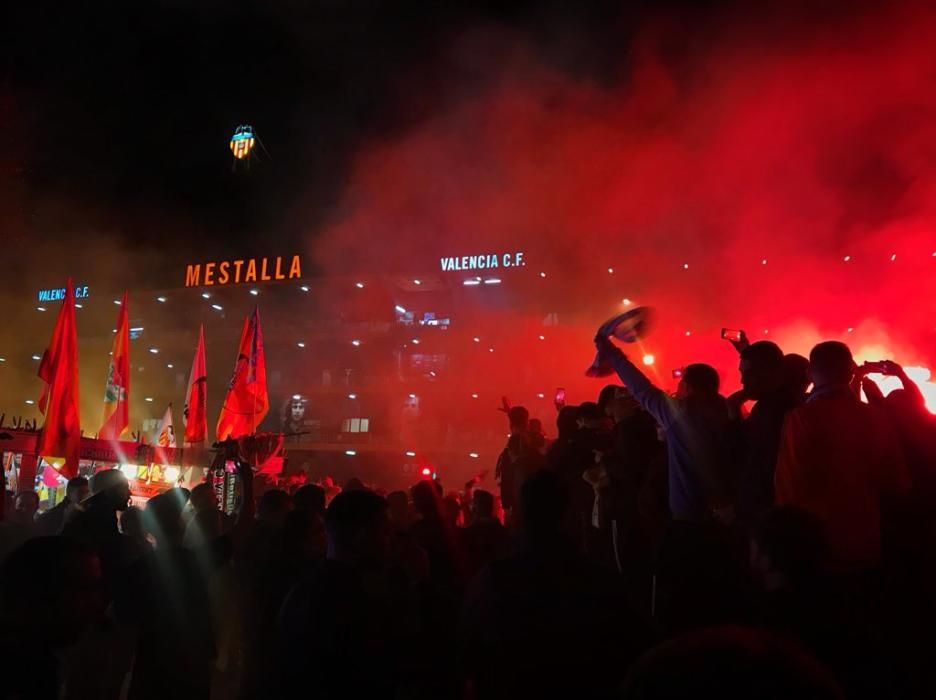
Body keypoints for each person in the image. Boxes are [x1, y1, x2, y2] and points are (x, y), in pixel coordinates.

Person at [460, 470, 650, 699]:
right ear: (568, 517)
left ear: (520, 517)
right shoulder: (601, 585)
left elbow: (466, 657)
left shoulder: (491, 583)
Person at [775, 341, 909, 574]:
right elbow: (897, 482)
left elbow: (787, 485)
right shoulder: (875, 417)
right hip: (865, 537)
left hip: (814, 542)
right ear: (850, 371)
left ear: (810, 373)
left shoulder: (799, 418)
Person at [278, 490, 418, 699]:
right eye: (385, 532)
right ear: (362, 536)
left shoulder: (302, 591)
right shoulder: (356, 602)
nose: (392, 541)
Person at [125, 490, 215, 700]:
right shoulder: (199, 561)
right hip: (192, 660)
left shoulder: (140, 567)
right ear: (182, 523)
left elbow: (126, 616)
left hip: (152, 660)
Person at [0, 537, 106, 700]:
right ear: (40, 591)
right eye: (84, 589)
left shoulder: (34, 661)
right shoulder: (25, 671)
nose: (96, 603)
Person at [733, 341, 800, 526]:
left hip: (770, 515)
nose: (742, 381)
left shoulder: (776, 410)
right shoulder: (775, 403)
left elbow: (756, 460)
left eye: (748, 373)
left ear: (771, 373)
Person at [460, 489, 511, 579]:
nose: (471, 506)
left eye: (473, 503)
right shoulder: (502, 531)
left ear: (476, 507)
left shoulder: (471, 532)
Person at [0, 491, 40, 563]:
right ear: (14, 506)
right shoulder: (4, 530)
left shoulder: (41, 529)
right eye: (20, 505)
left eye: (29, 505)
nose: (24, 509)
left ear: (37, 507)